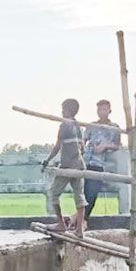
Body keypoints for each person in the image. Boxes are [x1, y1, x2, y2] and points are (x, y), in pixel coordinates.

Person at [40, 98, 87, 237]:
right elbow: (82, 147)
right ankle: (79, 229)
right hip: (79, 165)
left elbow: (58, 146)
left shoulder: (64, 125)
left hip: (68, 166)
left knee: (53, 193)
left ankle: (61, 224)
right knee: (79, 196)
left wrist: (47, 160)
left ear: (67, 110)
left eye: (63, 109)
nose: (61, 112)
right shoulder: (79, 126)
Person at [83, 99, 122, 218]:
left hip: (102, 163)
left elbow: (118, 145)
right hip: (88, 160)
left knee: (92, 192)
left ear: (110, 111)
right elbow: (83, 141)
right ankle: (81, 219)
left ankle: (82, 218)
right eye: (99, 109)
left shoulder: (114, 127)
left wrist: (105, 146)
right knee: (84, 193)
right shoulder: (91, 125)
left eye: (104, 109)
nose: (101, 112)